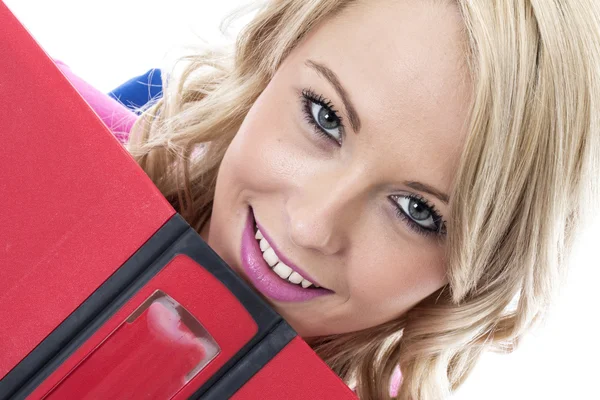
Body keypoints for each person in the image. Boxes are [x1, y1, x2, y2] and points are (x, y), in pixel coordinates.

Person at [66, 0, 600, 398]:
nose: (310, 226)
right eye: (325, 116)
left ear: (474, 276)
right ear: (276, 46)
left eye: (418, 212)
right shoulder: (35, 129)